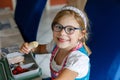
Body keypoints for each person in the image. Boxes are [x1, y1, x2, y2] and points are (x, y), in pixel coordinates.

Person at [20, 5, 91, 80]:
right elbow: (40, 49)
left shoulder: (79, 60)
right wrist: (29, 48)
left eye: (70, 29)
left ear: (81, 34)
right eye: (59, 27)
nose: (62, 33)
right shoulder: (55, 44)